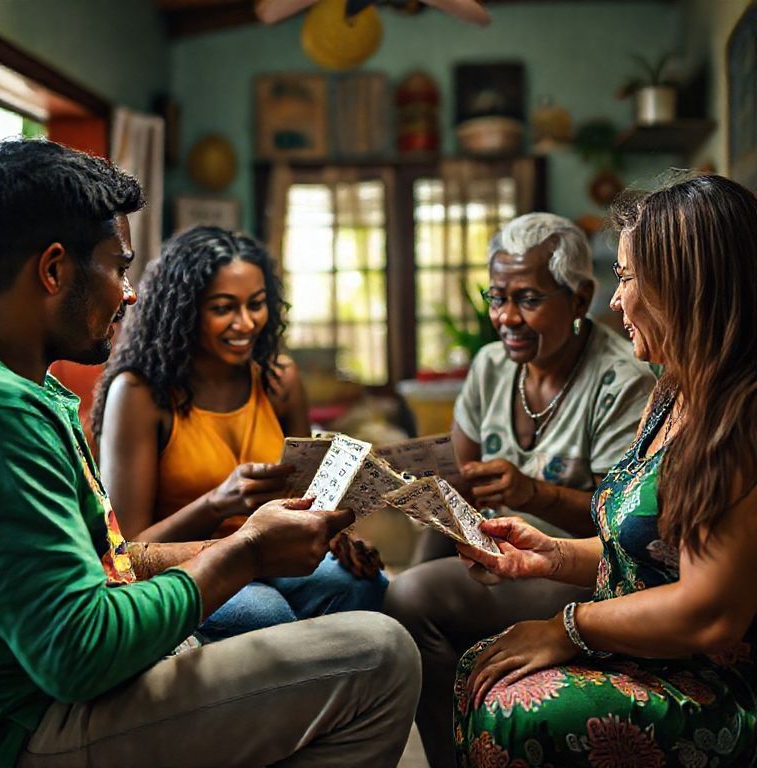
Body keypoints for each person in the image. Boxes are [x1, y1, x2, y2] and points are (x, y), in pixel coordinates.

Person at [0, 138, 420, 768]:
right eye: (118, 267)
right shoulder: (9, 412)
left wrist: (257, 540)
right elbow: (76, 652)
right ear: (53, 271)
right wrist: (243, 552)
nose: (129, 294)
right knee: (381, 654)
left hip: (65, 684)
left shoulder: (36, 391)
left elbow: (111, 558)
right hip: (33, 722)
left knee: (353, 593)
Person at [453, 173, 757, 766]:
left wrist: (568, 627)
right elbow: (654, 554)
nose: (615, 302)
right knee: (482, 669)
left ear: (685, 285)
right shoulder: (673, 389)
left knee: (518, 711)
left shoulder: (739, 417)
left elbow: (710, 613)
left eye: (625, 278)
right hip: (651, 652)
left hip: (713, 684)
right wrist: (551, 554)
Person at [385, 212, 655, 768]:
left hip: (579, 566)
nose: (506, 317)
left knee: (411, 599)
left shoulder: (621, 381)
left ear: (580, 298)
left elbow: (624, 527)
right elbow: (455, 483)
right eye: (496, 296)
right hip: (505, 551)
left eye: (528, 298)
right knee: (405, 586)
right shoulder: (490, 367)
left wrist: (535, 494)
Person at [90, 226, 387, 639]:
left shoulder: (278, 379)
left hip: (274, 555)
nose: (246, 323)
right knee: (265, 614)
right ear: (186, 310)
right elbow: (124, 551)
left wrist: (339, 535)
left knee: (359, 584)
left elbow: (311, 499)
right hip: (187, 566)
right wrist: (215, 504)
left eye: (257, 304)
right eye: (224, 308)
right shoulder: (140, 393)